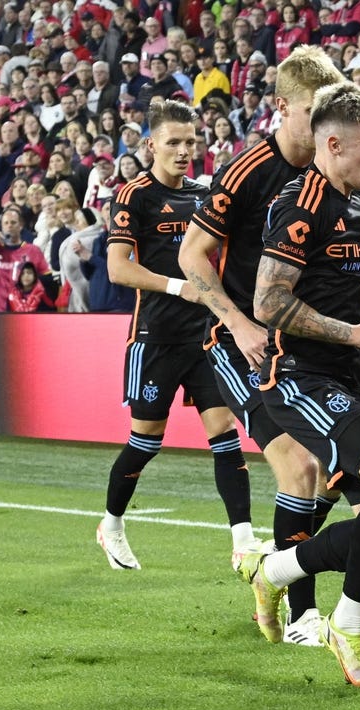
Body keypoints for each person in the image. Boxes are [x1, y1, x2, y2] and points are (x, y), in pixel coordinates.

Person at [239, 82, 360, 690]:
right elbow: (267, 302)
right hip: (296, 376)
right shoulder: (300, 204)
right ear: (335, 143)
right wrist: (353, 334)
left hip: (350, 375)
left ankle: (277, 571)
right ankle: (349, 623)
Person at [178, 47, 347, 646]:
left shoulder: (331, 173)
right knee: (300, 467)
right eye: (312, 111)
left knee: (332, 473)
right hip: (237, 341)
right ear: (281, 107)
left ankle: (272, 570)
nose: (325, 123)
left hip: (300, 346)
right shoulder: (246, 170)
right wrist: (239, 323)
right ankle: (304, 616)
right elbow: (191, 253)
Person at [97, 100, 261, 573]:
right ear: (151, 144)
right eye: (174, 142)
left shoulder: (205, 195)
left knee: (225, 435)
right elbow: (118, 268)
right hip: (156, 337)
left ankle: (244, 543)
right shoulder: (134, 195)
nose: (185, 150)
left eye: (191, 142)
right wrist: (179, 287)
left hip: (207, 339)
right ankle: (111, 525)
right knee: (146, 440)